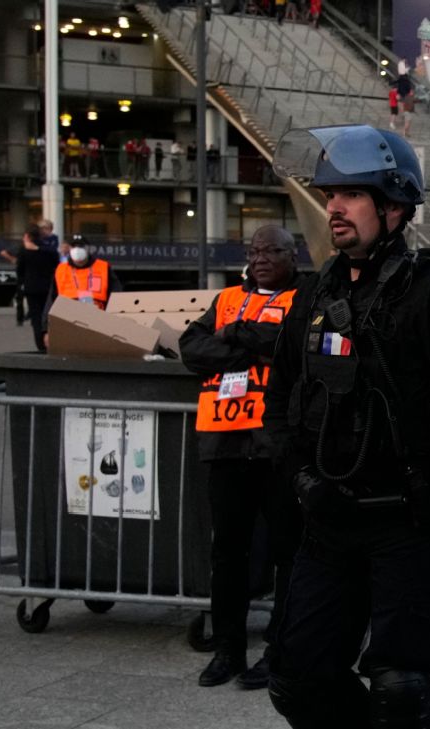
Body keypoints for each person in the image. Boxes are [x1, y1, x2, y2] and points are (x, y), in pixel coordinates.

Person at [261, 124, 430, 728]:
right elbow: (281, 403)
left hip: (410, 522)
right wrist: (299, 478)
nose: (334, 207)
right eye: (330, 195)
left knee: (399, 688)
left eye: (350, 194)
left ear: (393, 206)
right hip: (328, 519)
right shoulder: (315, 294)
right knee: (296, 681)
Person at [180, 225, 305, 690]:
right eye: (254, 251)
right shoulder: (227, 298)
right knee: (227, 552)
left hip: (277, 445)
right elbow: (190, 348)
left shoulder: (304, 297)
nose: (261, 258)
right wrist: (242, 347)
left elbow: (289, 347)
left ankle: (280, 649)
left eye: (272, 250)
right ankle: (229, 648)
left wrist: (239, 336)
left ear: (293, 256)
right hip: (224, 442)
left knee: (285, 550)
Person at [43, 238, 123, 346]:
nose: (77, 250)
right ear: (69, 249)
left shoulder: (103, 267)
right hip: (68, 322)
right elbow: (51, 301)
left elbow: (117, 297)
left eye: (81, 247)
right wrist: (46, 330)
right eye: (74, 247)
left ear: (88, 249)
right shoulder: (61, 270)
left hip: (98, 323)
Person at [15, 225, 60, 353]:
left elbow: (20, 270)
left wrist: (21, 285)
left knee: (36, 317)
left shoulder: (24, 250)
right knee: (49, 314)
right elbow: (55, 260)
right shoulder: (48, 250)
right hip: (48, 287)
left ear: (27, 236)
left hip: (31, 288)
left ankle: (40, 344)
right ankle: (51, 340)